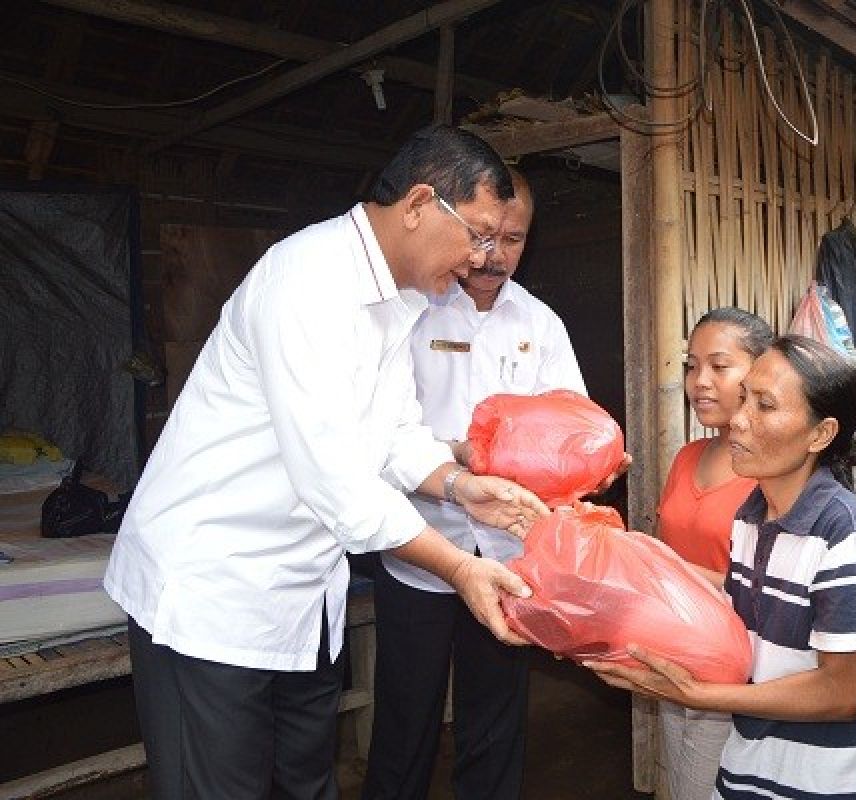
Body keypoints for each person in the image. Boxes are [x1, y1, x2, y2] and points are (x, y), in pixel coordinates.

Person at [102, 125, 550, 800]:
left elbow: (395, 433)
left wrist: (461, 487)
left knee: (307, 784)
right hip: (212, 593)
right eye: (480, 234)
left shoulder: (400, 302)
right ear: (422, 204)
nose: (482, 258)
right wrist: (460, 567)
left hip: (302, 596)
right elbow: (335, 481)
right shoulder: (307, 281)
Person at [592, 335, 856, 800]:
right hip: (752, 770)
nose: (738, 420)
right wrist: (635, 562)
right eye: (744, 400)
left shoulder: (846, 532)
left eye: (765, 405)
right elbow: (741, 604)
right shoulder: (754, 513)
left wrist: (697, 696)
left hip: (827, 785)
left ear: (821, 434)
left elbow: (842, 694)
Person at [363, 170, 587, 800]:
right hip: (420, 552)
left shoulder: (541, 325)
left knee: (495, 718)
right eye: (486, 237)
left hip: (509, 557)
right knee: (406, 717)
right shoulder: (413, 313)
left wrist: (588, 460)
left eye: (513, 240)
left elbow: (574, 425)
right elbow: (380, 435)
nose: (495, 256)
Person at [655, 307, 772, 800]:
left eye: (719, 366)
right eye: (690, 365)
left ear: (761, 372)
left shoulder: (773, 471)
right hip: (670, 657)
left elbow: (779, 589)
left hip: (735, 672)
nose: (700, 381)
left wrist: (665, 570)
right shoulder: (686, 456)